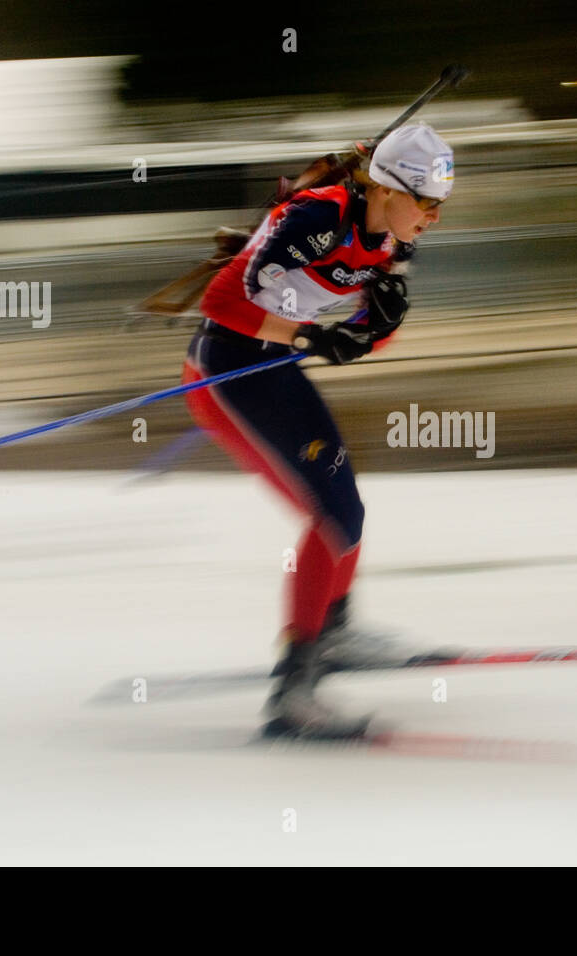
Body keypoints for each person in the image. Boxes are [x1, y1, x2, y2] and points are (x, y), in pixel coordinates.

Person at [180, 123, 454, 739]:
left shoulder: (390, 239)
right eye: (427, 202)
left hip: (271, 368)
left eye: (441, 206)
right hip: (226, 370)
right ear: (388, 188)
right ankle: (292, 695)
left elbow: (366, 333)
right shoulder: (316, 219)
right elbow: (227, 305)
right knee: (329, 516)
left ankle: (333, 634)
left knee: (345, 511)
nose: (434, 218)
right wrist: (312, 337)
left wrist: (373, 327)